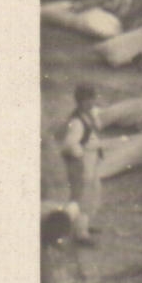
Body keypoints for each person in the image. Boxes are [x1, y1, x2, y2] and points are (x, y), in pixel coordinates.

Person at [57, 84, 104, 244]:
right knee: (83, 194)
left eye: (92, 99)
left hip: (92, 158)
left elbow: (97, 128)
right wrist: (80, 157)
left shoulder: (88, 115)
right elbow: (70, 143)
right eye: (87, 100)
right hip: (83, 160)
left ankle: (85, 224)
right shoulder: (77, 120)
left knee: (93, 191)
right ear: (80, 101)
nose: (91, 102)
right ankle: (80, 233)